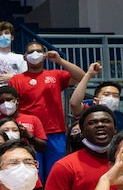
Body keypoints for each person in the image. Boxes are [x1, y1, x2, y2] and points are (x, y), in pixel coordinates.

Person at [6, 41, 85, 175]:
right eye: (30, 52)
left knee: (56, 173)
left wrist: (60, 61)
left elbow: (82, 76)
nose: (34, 54)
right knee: (32, 174)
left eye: (38, 51)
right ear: (24, 57)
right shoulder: (16, 80)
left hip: (55, 132)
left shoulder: (56, 75)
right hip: (30, 134)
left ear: (44, 55)